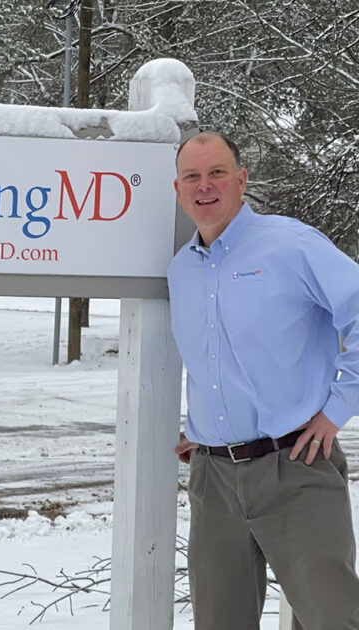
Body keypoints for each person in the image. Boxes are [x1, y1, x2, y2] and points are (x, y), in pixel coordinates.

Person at [168, 131, 359, 630]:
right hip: (214, 484)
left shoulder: (289, 244)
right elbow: (215, 356)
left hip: (295, 466)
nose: (204, 186)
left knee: (332, 620)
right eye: (192, 176)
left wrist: (338, 407)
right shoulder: (180, 271)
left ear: (241, 180)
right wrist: (206, 426)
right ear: (178, 189)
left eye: (216, 173)